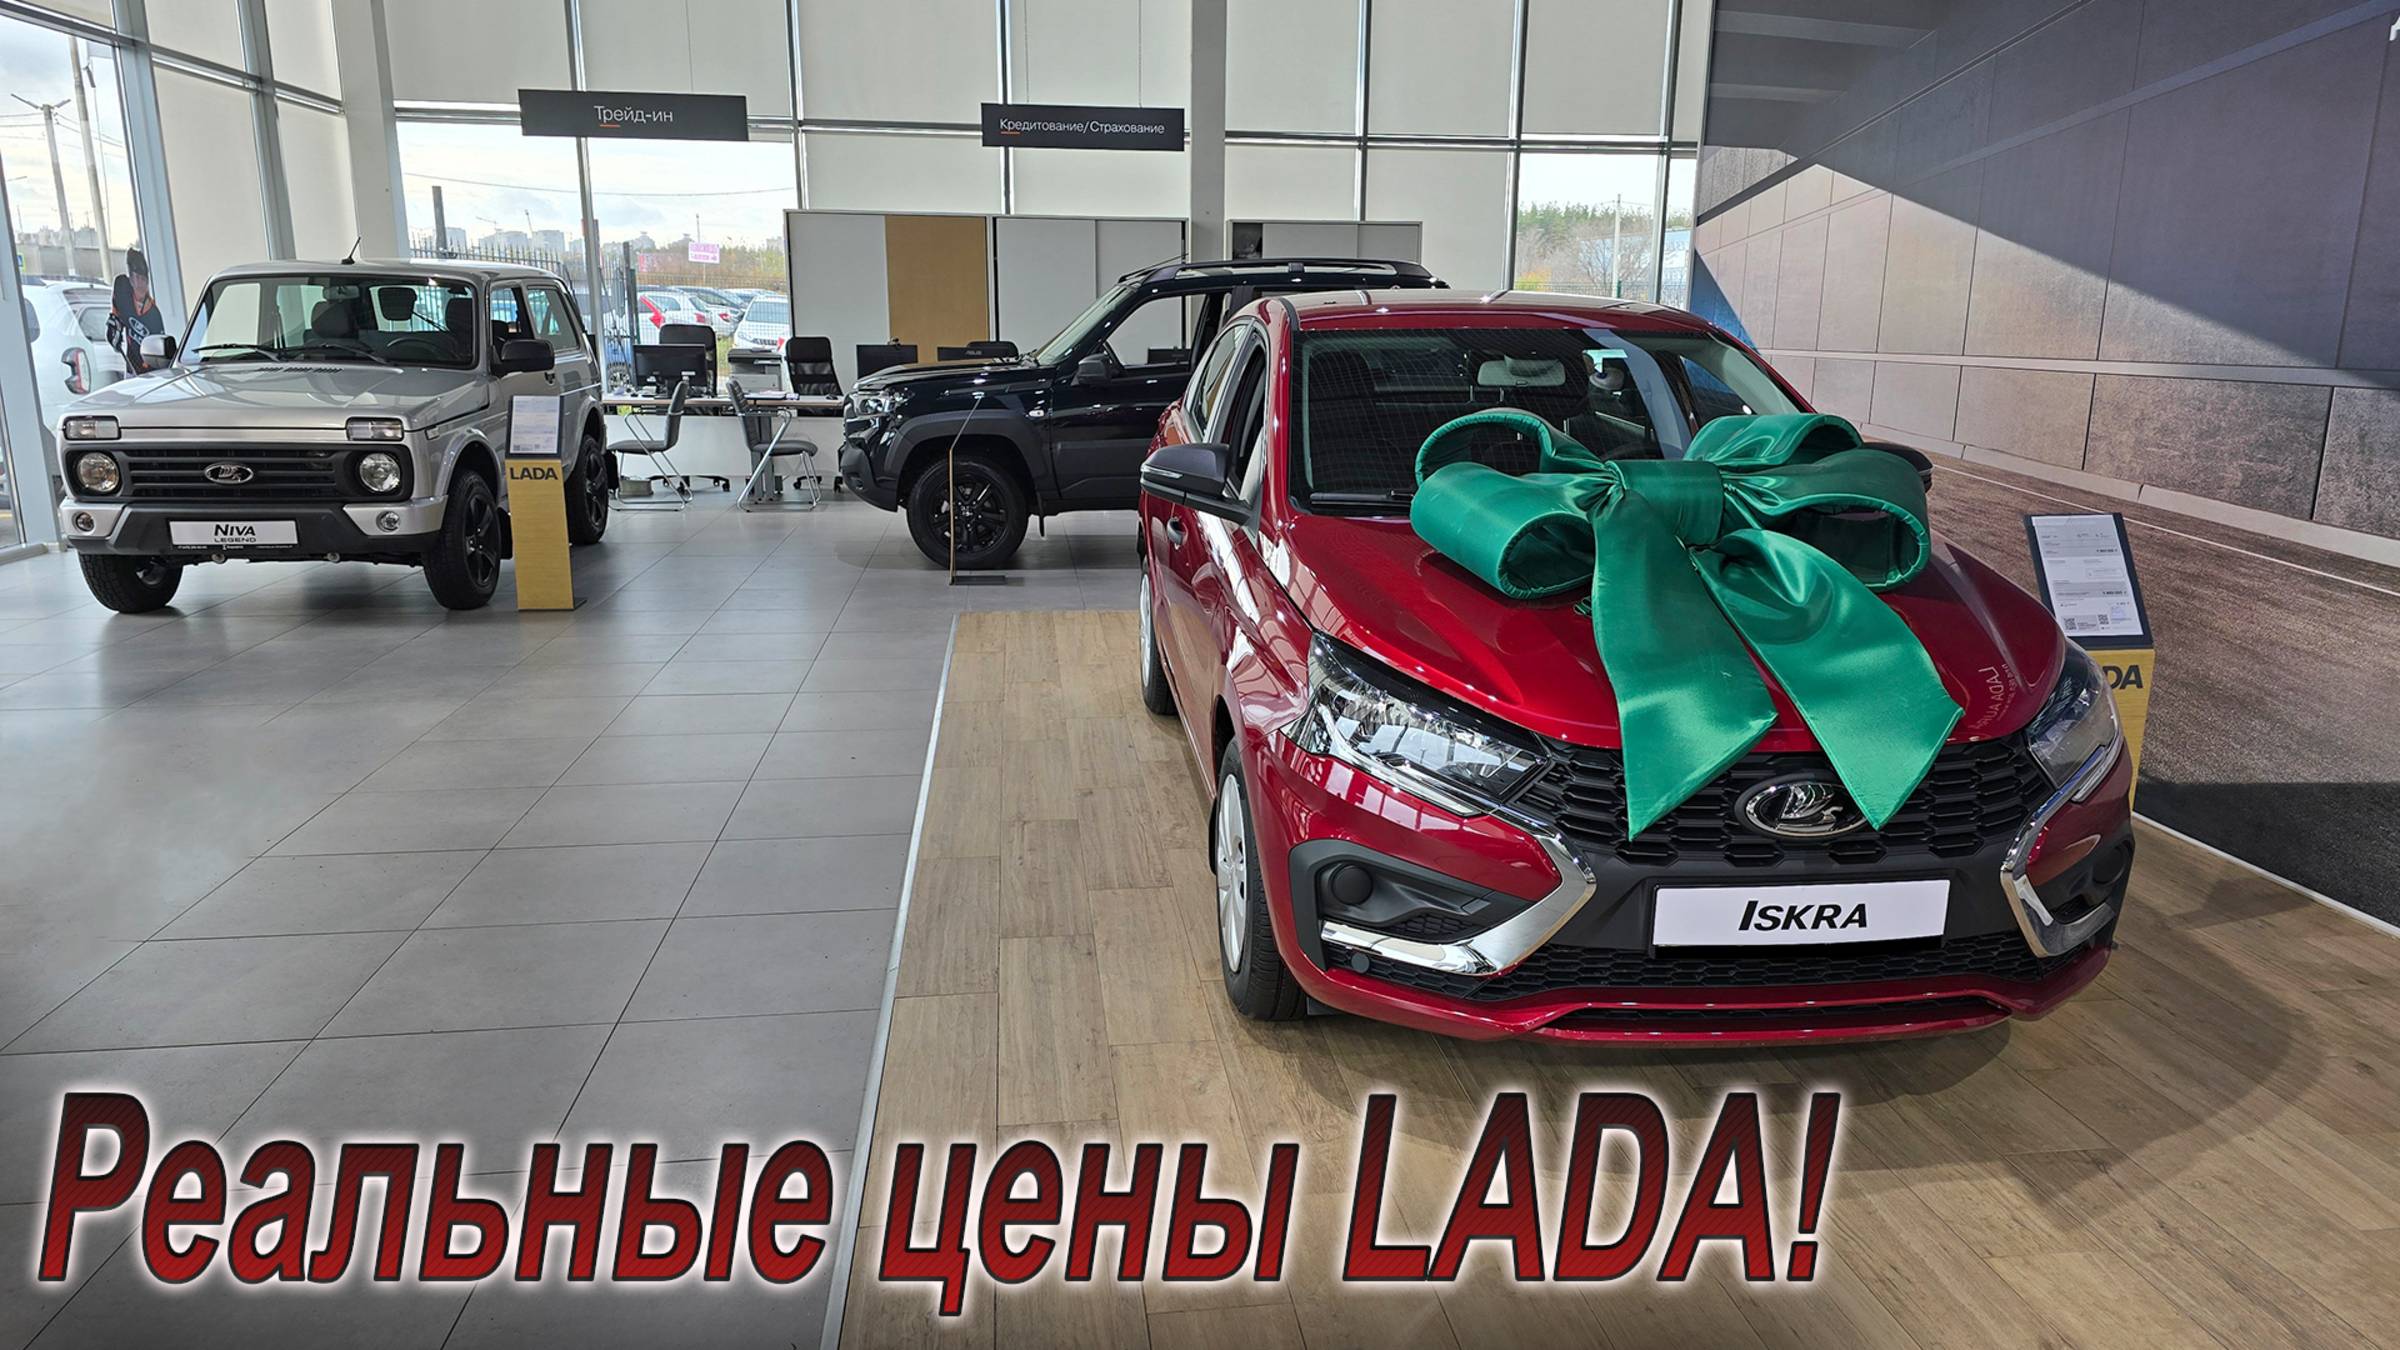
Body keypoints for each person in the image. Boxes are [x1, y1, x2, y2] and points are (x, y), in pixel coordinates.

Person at [109, 246, 166, 375]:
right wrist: (113, 328)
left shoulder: (154, 315)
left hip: (151, 373)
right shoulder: (123, 292)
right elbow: (116, 316)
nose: (140, 284)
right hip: (131, 368)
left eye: (143, 279)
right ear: (130, 279)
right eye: (136, 278)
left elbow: (161, 354)